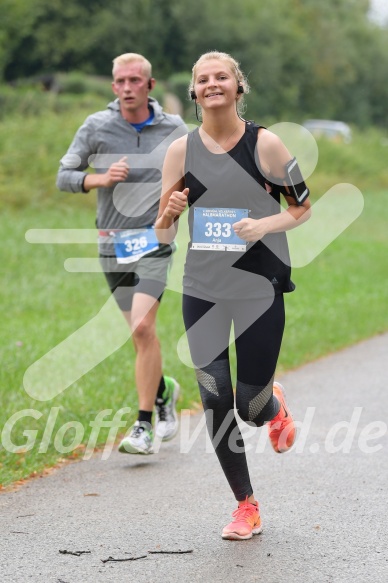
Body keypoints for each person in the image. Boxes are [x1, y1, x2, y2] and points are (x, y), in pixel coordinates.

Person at [155, 51, 311, 540]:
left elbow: (302, 207)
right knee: (214, 396)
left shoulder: (264, 144)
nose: (212, 84)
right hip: (202, 288)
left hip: (257, 288)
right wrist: (170, 212)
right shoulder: (180, 151)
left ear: (237, 87)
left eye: (221, 77)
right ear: (195, 92)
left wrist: (264, 224)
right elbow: (161, 235)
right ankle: (246, 506)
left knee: (248, 403)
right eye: (203, 79)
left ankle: (272, 405)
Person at [57, 53, 187, 455]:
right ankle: (165, 391)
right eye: (120, 81)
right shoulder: (96, 126)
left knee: (144, 329)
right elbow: (64, 176)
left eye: (135, 80)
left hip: (155, 241)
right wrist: (100, 178)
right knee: (138, 335)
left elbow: (199, 172)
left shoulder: (175, 128)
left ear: (149, 85)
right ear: (113, 87)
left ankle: (143, 426)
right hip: (113, 244)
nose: (127, 87)